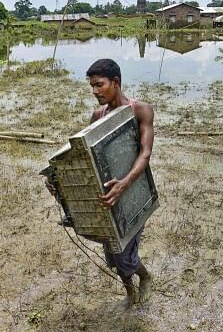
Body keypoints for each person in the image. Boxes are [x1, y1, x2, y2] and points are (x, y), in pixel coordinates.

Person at [46, 59, 155, 308]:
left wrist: (125, 183)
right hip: (108, 196)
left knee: (123, 254)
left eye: (99, 85)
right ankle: (130, 291)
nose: (94, 91)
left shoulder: (140, 110)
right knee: (114, 253)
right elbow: (89, 157)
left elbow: (145, 154)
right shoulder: (98, 116)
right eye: (92, 86)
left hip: (133, 193)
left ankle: (145, 277)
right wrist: (61, 185)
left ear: (115, 82)